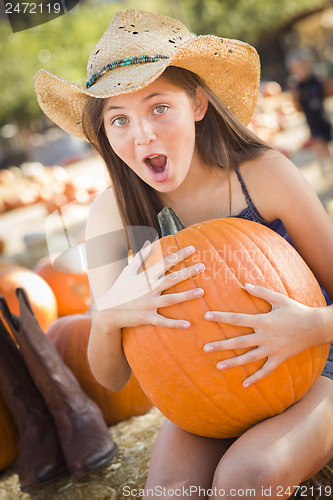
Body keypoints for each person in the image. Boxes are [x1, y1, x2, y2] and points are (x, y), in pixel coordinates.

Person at [34, 10, 333, 499]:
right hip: (203, 394)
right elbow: (111, 378)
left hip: (316, 365)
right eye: (119, 120)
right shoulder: (112, 214)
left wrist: (312, 326)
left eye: (158, 108)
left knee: (247, 478)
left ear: (196, 104)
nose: (142, 135)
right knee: (169, 492)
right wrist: (110, 316)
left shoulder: (263, 176)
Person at [286, 48, 333, 175]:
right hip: (312, 120)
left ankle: (329, 160)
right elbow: (297, 106)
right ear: (293, 70)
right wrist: (295, 98)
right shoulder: (298, 87)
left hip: (323, 116)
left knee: (328, 139)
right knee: (317, 141)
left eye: (305, 66)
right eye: (299, 68)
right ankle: (323, 163)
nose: (303, 69)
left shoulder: (317, 81)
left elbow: (328, 92)